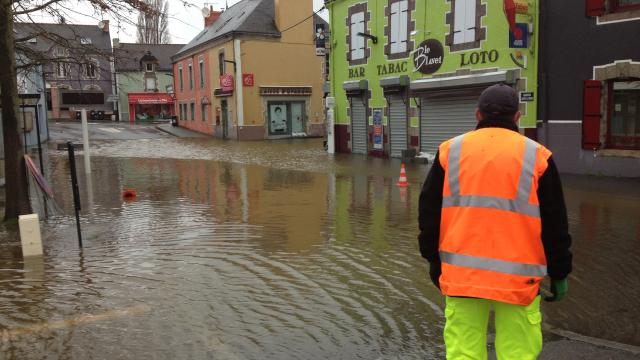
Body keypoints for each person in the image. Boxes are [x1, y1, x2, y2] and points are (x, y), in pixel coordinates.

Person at [418, 84, 572, 359]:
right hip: (518, 280)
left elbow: (429, 214)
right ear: (517, 116)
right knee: (517, 352)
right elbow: (555, 224)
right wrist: (559, 272)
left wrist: (433, 259)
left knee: (464, 351)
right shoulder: (537, 156)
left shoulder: (450, 151)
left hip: (462, 276)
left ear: (478, 114)